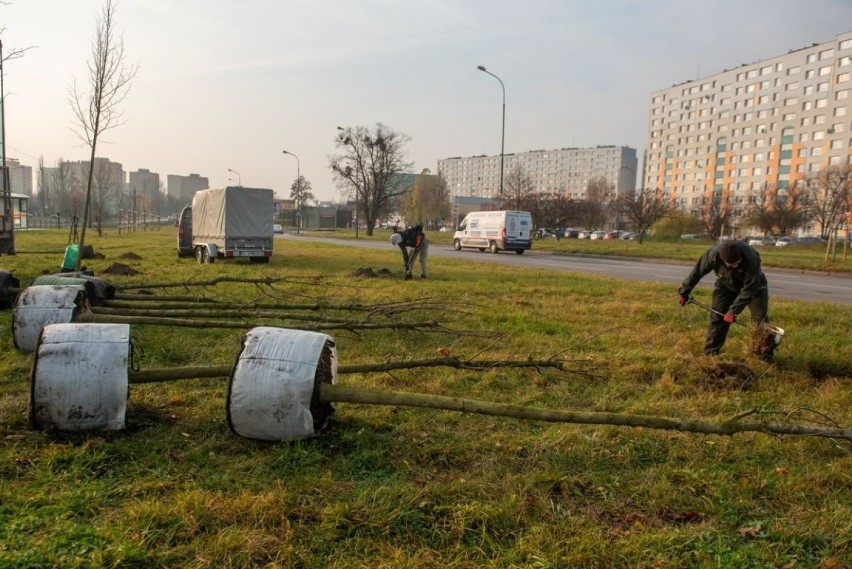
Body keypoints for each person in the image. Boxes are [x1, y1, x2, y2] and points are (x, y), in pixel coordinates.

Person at [677, 240, 772, 359]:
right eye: (731, 265)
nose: (735, 266)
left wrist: (733, 311)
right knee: (717, 316)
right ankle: (710, 354)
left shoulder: (752, 258)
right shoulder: (712, 255)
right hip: (725, 285)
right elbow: (696, 273)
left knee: (759, 320)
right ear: (722, 260)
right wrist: (684, 292)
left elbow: (749, 290)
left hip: (754, 287)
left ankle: (763, 356)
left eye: (737, 263)